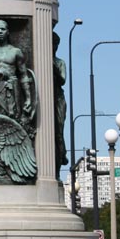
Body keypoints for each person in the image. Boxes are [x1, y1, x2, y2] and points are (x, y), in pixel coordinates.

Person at [52, 31, 68, 170]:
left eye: (56, 44)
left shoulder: (59, 62)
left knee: (58, 130)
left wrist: (53, 68)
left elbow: (62, 80)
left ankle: (61, 155)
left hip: (57, 98)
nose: (54, 46)